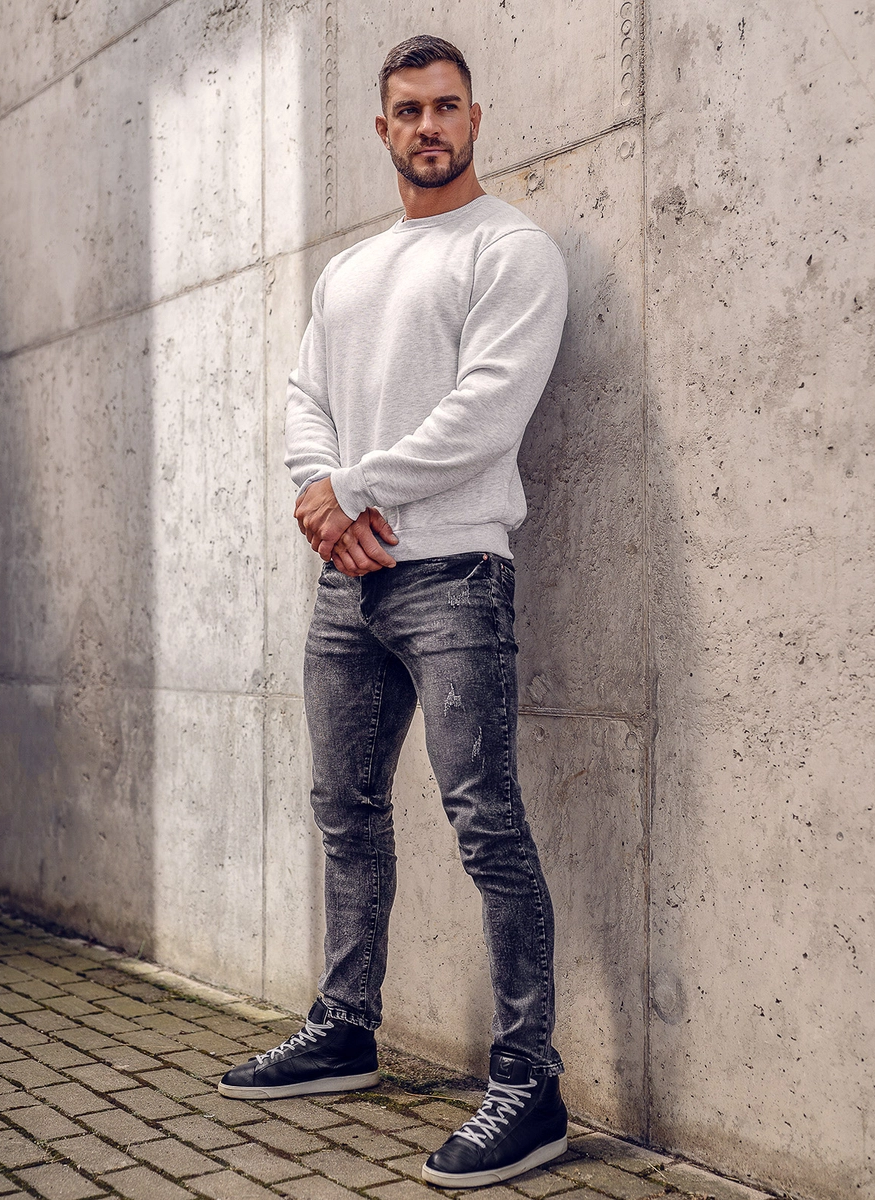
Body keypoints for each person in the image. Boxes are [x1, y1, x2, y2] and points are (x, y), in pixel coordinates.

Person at [219, 35, 570, 1188]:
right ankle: (345, 1028)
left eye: (446, 106)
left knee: (485, 823)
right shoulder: (352, 272)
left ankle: (529, 1082)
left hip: (455, 573)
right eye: (409, 110)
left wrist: (353, 491)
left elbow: (487, 411)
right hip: (348, 583)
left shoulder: (510, 249)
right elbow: (303, 400)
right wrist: (321, 506)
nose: (429, 126)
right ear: (382, 128)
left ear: (476, 118)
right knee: (345, 809)